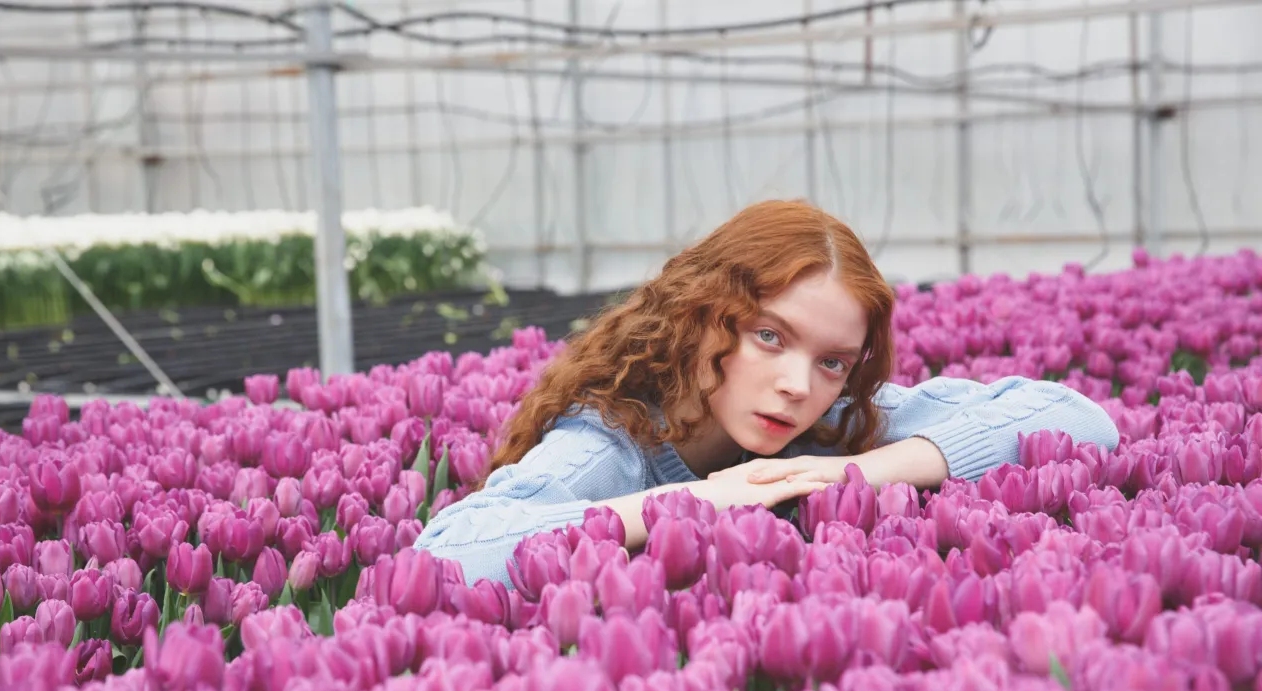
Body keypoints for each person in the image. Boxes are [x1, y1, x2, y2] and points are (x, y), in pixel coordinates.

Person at [414, 200, 1121, 588]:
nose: (797, 386)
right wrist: (710, 499)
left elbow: (1078, 419)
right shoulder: (611, 443)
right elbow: (440, 554)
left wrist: (849, 471)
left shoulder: (836, 427)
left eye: (834, 361)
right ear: (700, 311)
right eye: (770, 336)